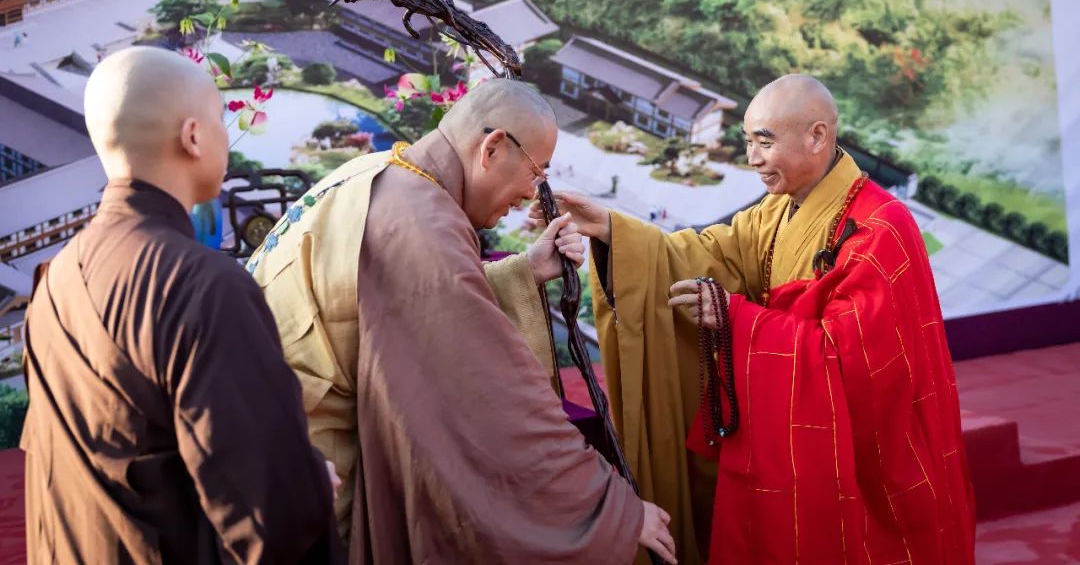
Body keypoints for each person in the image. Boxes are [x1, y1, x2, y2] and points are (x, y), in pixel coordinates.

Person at [535, 74, 975, 564]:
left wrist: (737, 321)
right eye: (748, 142)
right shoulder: (778, 210)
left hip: (861, 459)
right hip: (785, 439)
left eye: (764, 142)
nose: (752, 158)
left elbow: (856, 365)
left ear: (817, 136)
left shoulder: (880, 230)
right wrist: (611, 229)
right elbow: (708, 254)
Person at [250, 78, 677, 564]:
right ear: (492, 148)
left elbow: (419, 301)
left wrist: (526, 271)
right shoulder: (418, 221)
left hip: (268, 440)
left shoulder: (381, 173)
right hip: (307, 469)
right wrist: (607, 507)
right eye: (536, 172)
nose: (532, 193)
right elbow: (494, 394)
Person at [20, 47, 343, 564]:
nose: (225, 137)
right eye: (219, 120)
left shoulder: (54, 278)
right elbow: (273, 515)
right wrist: (312, 484)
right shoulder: (202, 286)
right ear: (193, 136)